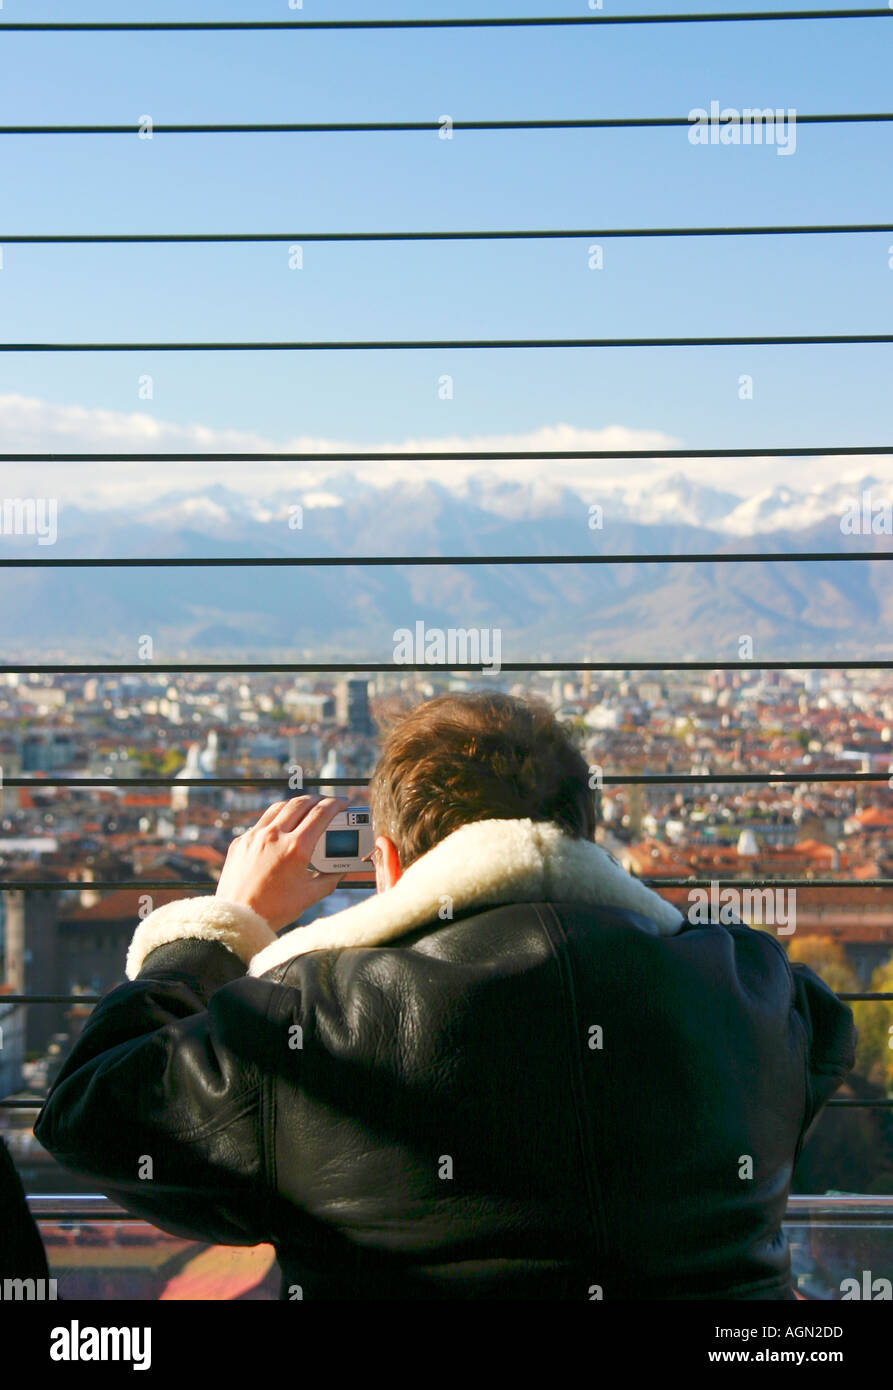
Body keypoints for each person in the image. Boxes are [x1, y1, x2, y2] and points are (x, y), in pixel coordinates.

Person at [34, 692, 855, 1300]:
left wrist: (224, 925)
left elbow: (91, 1116)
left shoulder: (303, 1026)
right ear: (587, 839)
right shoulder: (757, 994)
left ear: (388, 864)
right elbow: (818, 1045)